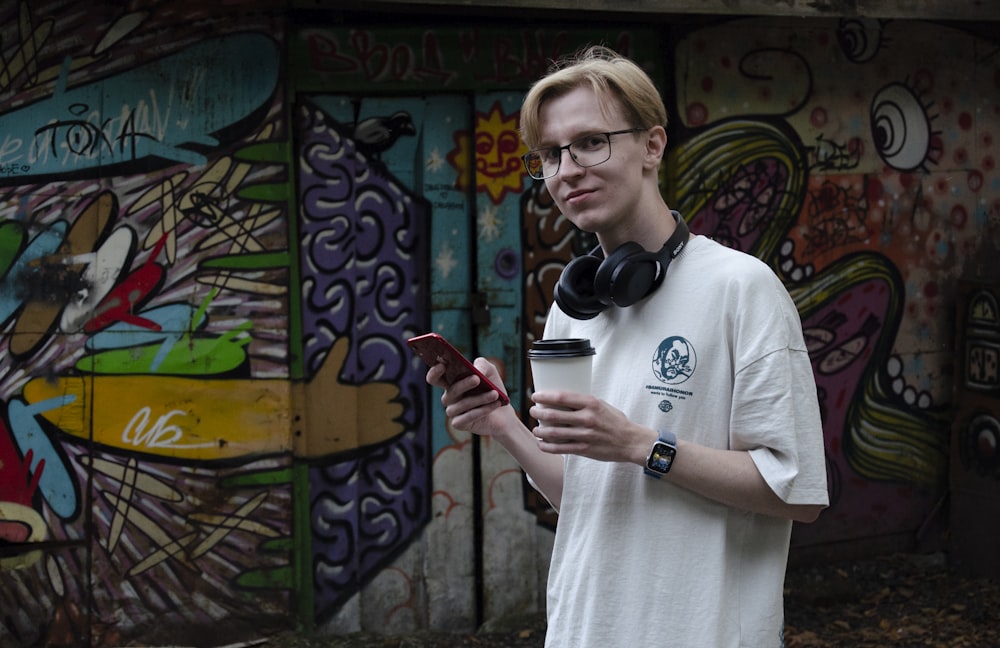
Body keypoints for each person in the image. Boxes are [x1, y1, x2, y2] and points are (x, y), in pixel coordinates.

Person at [424, 45, 829, 648]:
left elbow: (795, 493)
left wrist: (642, 445)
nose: (568, 170)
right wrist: (504, 425)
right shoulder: (575, 306)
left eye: (591, 142)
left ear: (653, 145)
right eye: (551, 155)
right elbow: (585, 490)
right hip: (586, 629)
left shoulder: (740, 289)